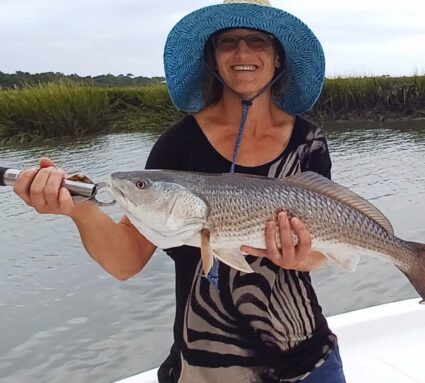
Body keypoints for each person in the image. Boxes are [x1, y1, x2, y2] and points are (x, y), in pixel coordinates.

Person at [14, 0, 346, 382]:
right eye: (227, 42)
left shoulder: (309, 141)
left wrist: (298, 258)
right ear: (212, 58)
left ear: (278, 59)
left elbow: (322, 252)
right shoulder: (179, 144)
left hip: (307, 356)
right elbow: (126, 261)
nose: (242, 52)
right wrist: (79, 209)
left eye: (258, 40)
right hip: (208, 365)